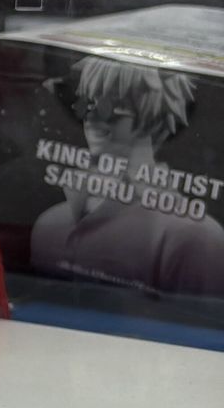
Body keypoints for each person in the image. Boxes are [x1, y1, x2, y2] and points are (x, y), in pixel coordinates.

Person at [31, 56, 224, 298]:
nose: (92, 119)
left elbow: (196, 327)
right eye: (84, 106)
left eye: (110, 108)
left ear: (151, 113)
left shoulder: (194, 238)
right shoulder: (49, 224)